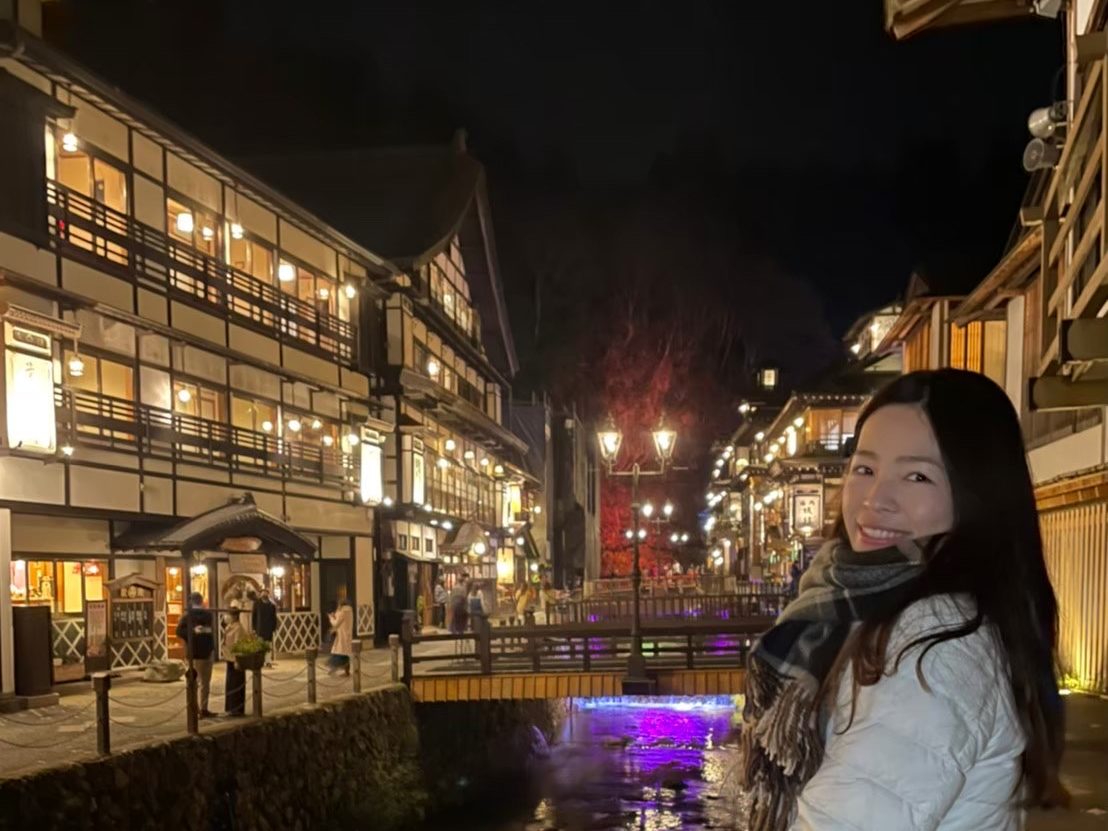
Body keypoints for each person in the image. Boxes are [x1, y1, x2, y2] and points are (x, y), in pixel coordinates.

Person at [741, 369, 1064, 831]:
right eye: (865, 469)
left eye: (917, 476)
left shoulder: (934, 642)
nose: (875, 500)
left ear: (979, 495)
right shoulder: (871, 609)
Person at [175, 592, 215, 718]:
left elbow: (179, 631)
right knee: (205, 682)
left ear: (191, 601)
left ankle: (194, 708)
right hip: (206, 650)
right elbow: (210, 630)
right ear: (202, 601)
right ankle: (204, 708)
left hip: (193, 652)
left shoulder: (187, 616)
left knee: (194, 682)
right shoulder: (208, 615)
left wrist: (191, 632)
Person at [222, 593, 246, 716]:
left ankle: (237, 708)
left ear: (234, 616)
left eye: (229, 615)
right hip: (229, 658)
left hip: (235, 659)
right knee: (230, 683)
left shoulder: (239, 628)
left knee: (236, 683)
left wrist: (237, 659)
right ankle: (230, 707)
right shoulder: (229, 627)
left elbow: (238, 646)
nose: (227, 617)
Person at [251, 588, 278, 667]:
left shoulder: (272, 605)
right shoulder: (257, 604)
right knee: (260, 645)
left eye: (266, 593)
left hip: (268, 628)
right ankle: (260, 661)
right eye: (263, 593)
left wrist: (274, 627)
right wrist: (253, 628)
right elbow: (254, 616)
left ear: (268, 594)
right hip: (259, 627)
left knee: (268, 646)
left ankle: (268, 661)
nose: (264, 594)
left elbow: (274, 617)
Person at [327, 595, 353, 676]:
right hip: (347, 634)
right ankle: (346, 671)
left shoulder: (342, 612)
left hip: (341, 636)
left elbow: (336, 623)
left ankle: (333, 668)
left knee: (338, 653)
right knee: (344, 654)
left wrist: (331, 617)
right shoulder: (349, 611)